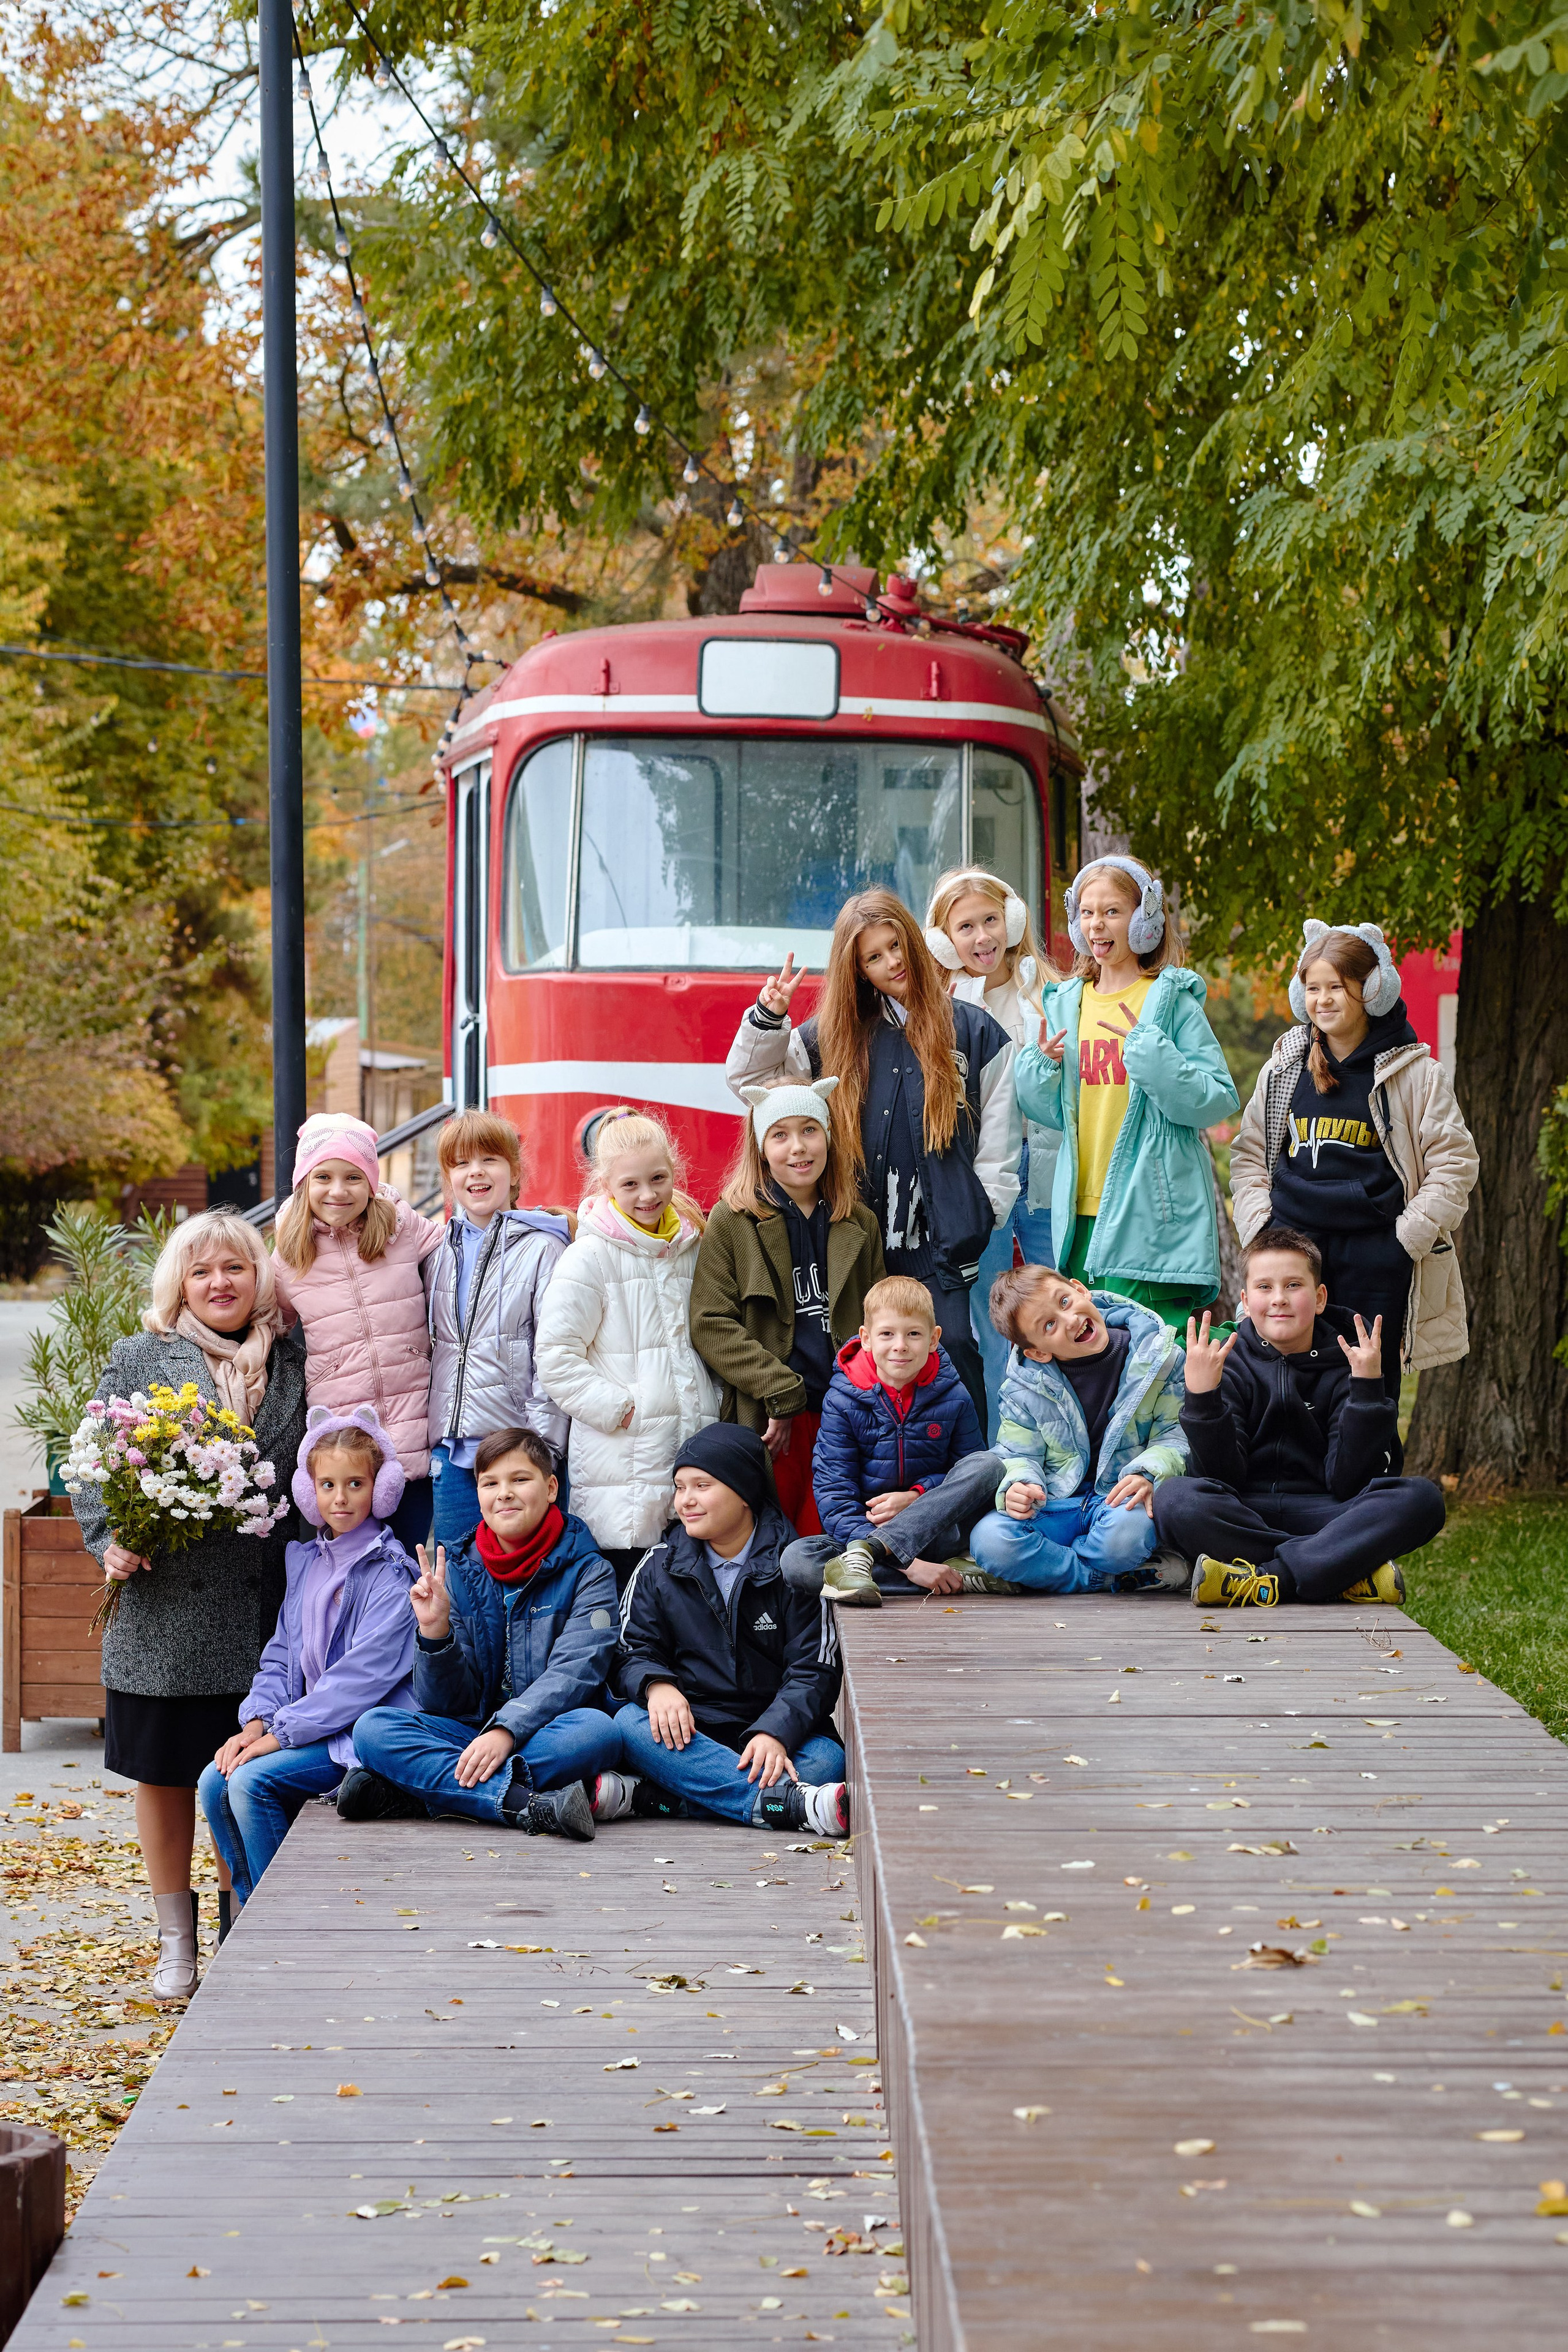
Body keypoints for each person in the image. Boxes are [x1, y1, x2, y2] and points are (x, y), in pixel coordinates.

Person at [69, 1210, 307, 2002]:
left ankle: (247, 1922)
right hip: (166, 1612)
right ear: (179, 1283)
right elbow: (93, 1461)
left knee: (248, 1778)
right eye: (202, 1271)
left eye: (235, 1268)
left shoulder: (295, 1357)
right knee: (167, 1778)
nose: (220, 1284)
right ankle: (177, 1943)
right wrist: (109, 1538)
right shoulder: (143, 1357)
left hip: (265, 1611)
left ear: (258, 1276)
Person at [725, 888, 1019, 1429]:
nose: (893, 962)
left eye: (896, 945)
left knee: (951, 1353)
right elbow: (752, 1086)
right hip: (852, 1243)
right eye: (874, 957)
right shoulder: (825, 1039)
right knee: (863, 1374)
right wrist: (768, 1019)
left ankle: (970, 1488)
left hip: (940, 1248)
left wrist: (981, 1213)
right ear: (856, 969)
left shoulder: (974, 1030)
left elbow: (999, 1144)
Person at [1229, 921, 1479, 1400]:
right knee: (1288, 1390)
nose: (1322, 1000)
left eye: (1336, 988)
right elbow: (1249, 1156)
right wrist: (1261, 1230)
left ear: (1374, 990)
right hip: (1293, 1253)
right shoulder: (1285, 1065)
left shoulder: (1417, 1075)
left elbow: (1455, 1164)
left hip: (1376, 1259)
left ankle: (1370, 1479)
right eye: (1312, 988)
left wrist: (1406, 1240)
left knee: (1368, 1395)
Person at [342, 1428, 622, 1838]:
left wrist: (506, 1731)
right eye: (490, 1483)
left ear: (550, 1488)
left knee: (599, 1733)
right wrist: (435, 1633)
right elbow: (445, 1705)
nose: (503, 1493)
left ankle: (425, 1797)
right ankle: (523, 1805)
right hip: (469, 1734)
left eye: (519, 1480)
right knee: (372, 1729)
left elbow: (575, 1672)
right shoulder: (457, 1569)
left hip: (544, 1733)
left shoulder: (589, 1571)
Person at [1152, 1226, 1447, 1608]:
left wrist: (1367, 1392)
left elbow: (1349, 1482)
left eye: (1294, 1285)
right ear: (1245, 1299)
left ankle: (1268, 1579)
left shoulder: (1350, 1361)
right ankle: (1336, 1570)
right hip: (1245, 1512)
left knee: (1423, 1499)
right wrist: (1203, 1396)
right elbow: (1223, 1477)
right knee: (1176, 1500)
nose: (1279, 1299)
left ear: (1320, 1297)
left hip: (1328, 1514)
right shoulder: (1228, 1361)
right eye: (1264, 1287)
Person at [197, 1406, 418, 1902]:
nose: (341, 1498)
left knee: (252, 1784)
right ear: (308, 1492)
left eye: (356, 1484)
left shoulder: (391, 1573)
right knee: (214, 1782)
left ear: (381, 1489)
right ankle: (251, 1917)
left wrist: (278, 1737)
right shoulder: (308, 1564)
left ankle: (285, 1917)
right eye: (328, 1485)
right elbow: (281, 1656)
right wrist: (255, 1723)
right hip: (303, 1726)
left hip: (356, 1737)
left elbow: (359, 1683)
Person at [1011, 856, 1238, 1319]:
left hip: (1148, 1217)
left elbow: (1215, 1100)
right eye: (1088, 913)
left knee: (1152, 1363)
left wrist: (1152, 1055)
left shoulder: (1171, 999)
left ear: (1145, 920)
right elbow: (1052, 1115)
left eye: (1112, 911)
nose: (1097, 925)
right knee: (1093, 1361)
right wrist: (1039, 1068)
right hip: (1079, 1216)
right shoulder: (1065, 1003)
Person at [609, 1425, 848, 1833]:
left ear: (744, 1492)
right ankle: (786, 1806)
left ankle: (665, 1798)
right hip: (691, 1730)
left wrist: (775, 1732)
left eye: (702, 1485)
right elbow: (631, 1649)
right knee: (628, 1726)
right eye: (680, 1487)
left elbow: (816, 1670)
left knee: (827, 1760)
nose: (686, 1501)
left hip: (775, 1729)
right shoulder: (658, 1564)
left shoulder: (797, 1568)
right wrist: (657, 1686)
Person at [689, 1076, 885, 1539]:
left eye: (809, 1130)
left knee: (835, 1540)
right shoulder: (732, 1219)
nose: (798, 1148)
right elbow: (710, 1323)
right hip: (772, 1420)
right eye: (780, 1135)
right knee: (776, 1541)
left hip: (847, 1413)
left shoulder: (859, 1221)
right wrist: (780, 1391)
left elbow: (881, 1321)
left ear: (829, 1137)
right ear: (761, 1148)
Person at [535, 1110, 718, 1593]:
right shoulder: (589, 1258)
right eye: (631, 1184)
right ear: (605, 1184)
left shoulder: (692, 1247)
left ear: (674, 1172)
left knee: (685, 1600)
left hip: (689, 1449)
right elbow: (556, 1356)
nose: (647, 1196)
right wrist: (623, 1410)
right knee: (630, 1598)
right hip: (624, 1463)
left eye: (658, 1179)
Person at [924, 867, 1061, 1434]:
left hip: (1048, 1166)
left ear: (1013, 921)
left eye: (990, 920)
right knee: (990, 1316)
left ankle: (1064, 1429)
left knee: (1057, 1294)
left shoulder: (1048, 992)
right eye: (965, 927)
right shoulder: (942, 1005)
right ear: (941, 941)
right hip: (983, 1174)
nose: (982, 937)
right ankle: (1007, 1443)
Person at [271, 1112, 444, 1550]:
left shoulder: (402, 1228)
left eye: (353, 1177)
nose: (338, 1190)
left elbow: (467, 1250)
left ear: (371, 1183)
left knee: (411, 1563)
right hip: (345, 1452)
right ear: (304, 1184)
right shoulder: (288, 1258)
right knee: (352, 1569)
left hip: (413, 1435)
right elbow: (265, 1328)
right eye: (323, 1176)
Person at [780, 1274, 1005, 1606]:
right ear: (866, 1338)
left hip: (938, 1531)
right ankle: (945, 1577)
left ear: (933, 1338)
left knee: (989, 1465)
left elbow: (967, 1474)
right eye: (887, 1334)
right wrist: (907, 1565)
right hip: (863, 1536)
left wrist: (917, 1495)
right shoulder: (842, 1400)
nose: (900, 1345)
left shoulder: (954, 1395)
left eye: (914, 1334)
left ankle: (880, 1576)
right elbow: (835, 1495)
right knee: (797, 1560)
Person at [968, 1264, 1189, 1593]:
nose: (1070, 1320)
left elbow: (1175, 1434)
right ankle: (1109, 1578)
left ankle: (1051, 1571)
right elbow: (1016, 1452)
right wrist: (1019, 1484)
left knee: (1127, 1537)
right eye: (1049, 1324)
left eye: (1065, 1302)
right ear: (1039, 1352)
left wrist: (1148, 1473)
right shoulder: (1024, 1386)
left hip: (1119, 1499)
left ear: (1080, 1289)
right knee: (990, 1539)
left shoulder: (1161, 1358)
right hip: (1055, 1502)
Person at [427, 1111, 571, 1555]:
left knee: (530, 1577)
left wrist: (542, 1450)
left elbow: (554, 1352)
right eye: (461, 1163)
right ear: (448, 1178)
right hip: (452, 1454)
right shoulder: (436, 1252)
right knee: (458, 1577)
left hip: (519, 1451)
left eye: (490, 1159)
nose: (476, 1172)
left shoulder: (543, 1247)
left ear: (514, 1173)